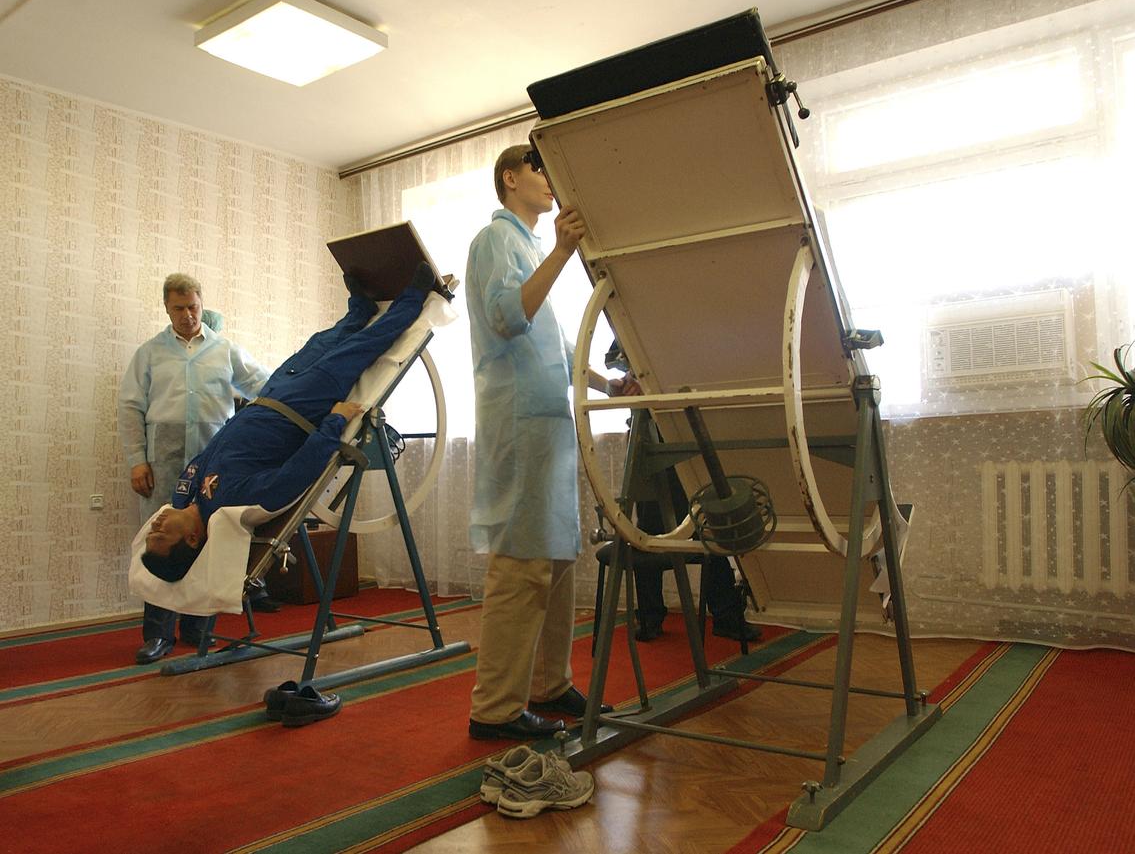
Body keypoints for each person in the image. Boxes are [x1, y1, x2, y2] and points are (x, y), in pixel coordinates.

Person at [466, 145, 639, 741]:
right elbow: (506, 317)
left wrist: (606, 384)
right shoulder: (495, 240)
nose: (549, 180)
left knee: (557, 559)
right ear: (510, 178)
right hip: (518, 424)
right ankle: (495, 709)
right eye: (537, 168)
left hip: (548, 424)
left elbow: (557, 348)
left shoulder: (531, 248)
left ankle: (548, 683)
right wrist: (565, 252)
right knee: (521, 564)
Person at [139, 265, 440, 575]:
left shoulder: (184, 495)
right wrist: (335, 421)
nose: (154, 526)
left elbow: (206, 455)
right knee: (359, 349)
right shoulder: (233, 505)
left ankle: (360, 310)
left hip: (272, 394)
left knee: (319, 343)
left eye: (150, 534)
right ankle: (413, 299)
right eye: (160, 536)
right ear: (192, 539)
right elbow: (299, 471)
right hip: (302, 407)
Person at [119, 273, 269, 664]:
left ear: (202, 304)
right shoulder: (150, 353)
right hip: (163, 461)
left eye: (193, 307)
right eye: (179, 308)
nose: (187, 315)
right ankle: (158, 635)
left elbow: (264, 386)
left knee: (205, 542)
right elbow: (130, 407)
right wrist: (137, 460)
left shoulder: (225, 350)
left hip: (213, 463)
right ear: (166, 309)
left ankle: (198, 628)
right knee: (161, 541)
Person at [631, 467, 761, 644]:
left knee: (711, 540)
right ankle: (649, 618)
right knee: (648, 538)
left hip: (688, 483)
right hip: (654, 481)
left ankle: (726, 616)